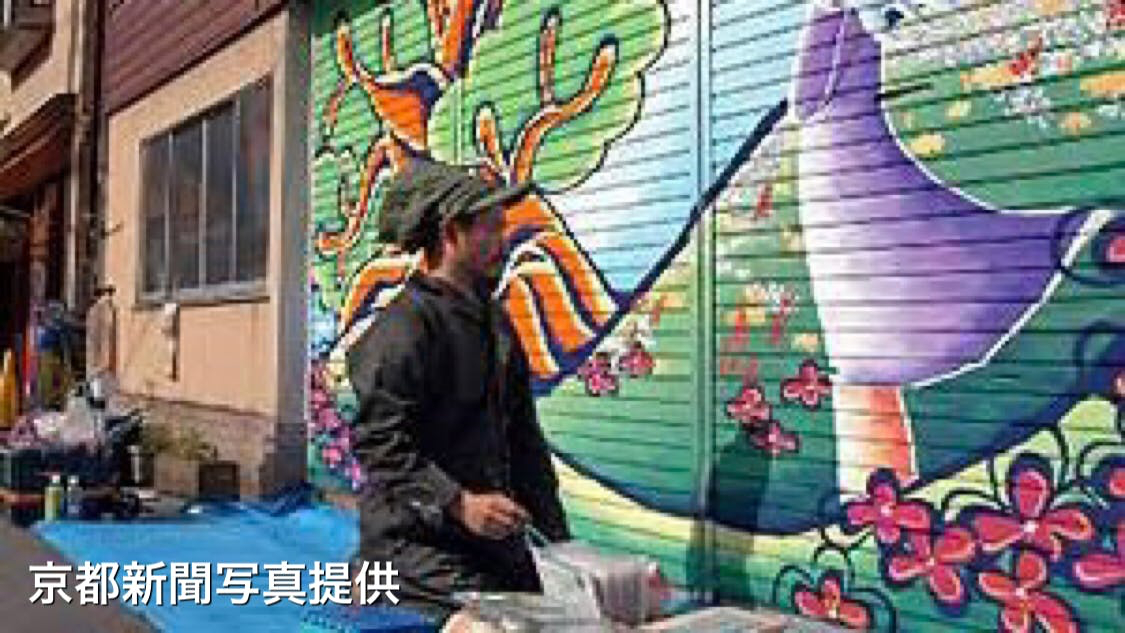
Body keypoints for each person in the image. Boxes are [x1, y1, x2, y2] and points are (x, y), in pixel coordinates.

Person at [345, 160, 571, 629]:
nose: (504, 242)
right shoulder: (406, 329)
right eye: (491, 229)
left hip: (490, 546)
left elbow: (523, 439)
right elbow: (379, 443)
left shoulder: (494, 323)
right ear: (452, 233)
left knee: (568, 612)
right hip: (413, 551)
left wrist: (561, 546)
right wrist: (456, 502)